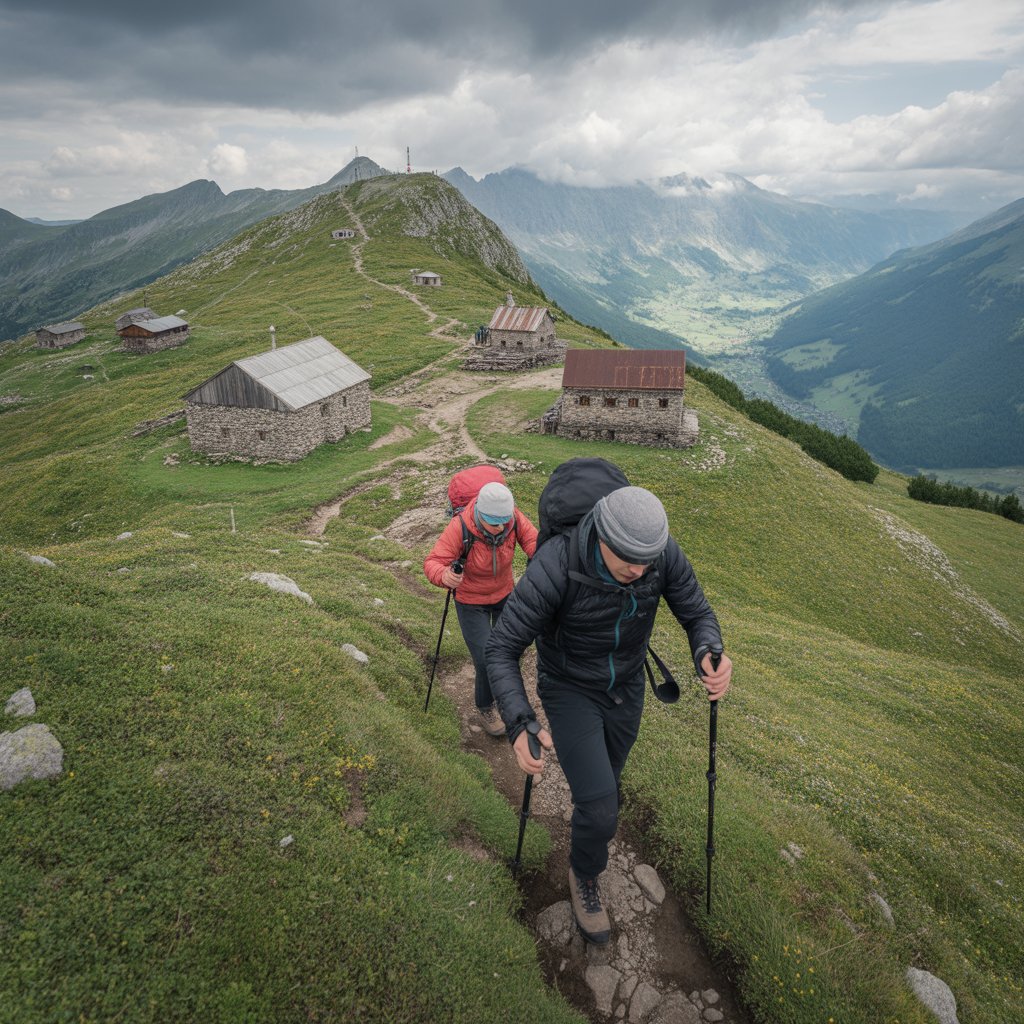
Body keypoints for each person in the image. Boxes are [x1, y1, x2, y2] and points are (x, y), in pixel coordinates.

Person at [485, 484, 732, 945]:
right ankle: (585, 874)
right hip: (568, 688)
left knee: (606, 787)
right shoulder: (557, 565)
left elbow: (696, 610)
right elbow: (502, 648)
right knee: (601, 807)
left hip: (627, 685)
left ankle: (591, 821)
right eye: (628, 563)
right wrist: (519, 721)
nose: (639, 572)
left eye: (647, 563)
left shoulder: (659, 554)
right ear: (602, 536)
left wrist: (709, 649)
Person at [424, 481, 538, 736]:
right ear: (480, 516)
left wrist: (542, 560)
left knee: (511, 650)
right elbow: (433, 561)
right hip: (470, 602)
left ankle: (504, 693)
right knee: (488, 658)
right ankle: (486, 707)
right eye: (493, 523)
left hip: (504, 594)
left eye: (504, 522)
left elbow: (534, 542)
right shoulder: (460, 527)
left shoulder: (513, 519)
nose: (501, 528)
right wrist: (444, 576)